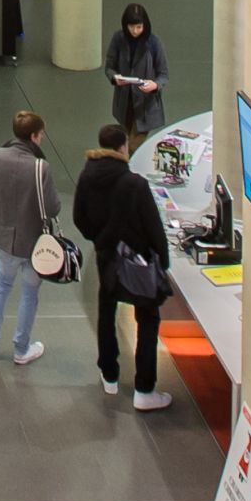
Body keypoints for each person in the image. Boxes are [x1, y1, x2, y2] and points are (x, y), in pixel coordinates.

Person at [74, 121, 171, 411]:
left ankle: (109, 374)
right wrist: (162, 260)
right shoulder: (134, 184)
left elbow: (79, 217)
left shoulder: (87, 176)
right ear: (123, 147)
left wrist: (100, 240)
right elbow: (153, 227)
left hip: (106, 256)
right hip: (137, 260)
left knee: (106, 311)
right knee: (148, 317)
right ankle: (144, 388)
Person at [0, 109, 56, 367]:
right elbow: (52, 207)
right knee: (30, 293)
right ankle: (21, 348)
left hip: (7, 236)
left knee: (1, 286)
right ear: (34, 136)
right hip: (35, 243)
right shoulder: (41, 167)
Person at [102, 2, 168, 136]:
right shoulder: (118, 39)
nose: (135, 31)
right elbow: (109, 67)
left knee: (135, 143)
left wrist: (155, 85)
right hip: (124, 102)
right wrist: (114, 78)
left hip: (145, 104)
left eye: (139, 27)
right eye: (131, 26)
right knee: (126, 137)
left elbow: (163, 74)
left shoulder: (153, 43)